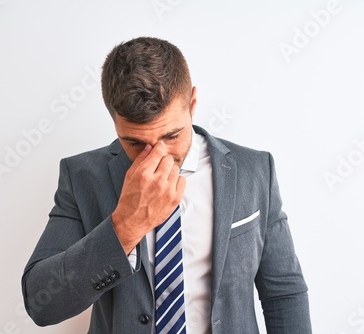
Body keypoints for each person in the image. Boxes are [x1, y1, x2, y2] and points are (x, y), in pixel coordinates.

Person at [22, 36, 312, 334]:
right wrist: (125, 226)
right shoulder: (82, 176)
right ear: (113, 119)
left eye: (172, 136)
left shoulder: (254, 169)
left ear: (193, 103)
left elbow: (283, 292)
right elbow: (42, 305)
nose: (157, 154)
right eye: (135, 142)